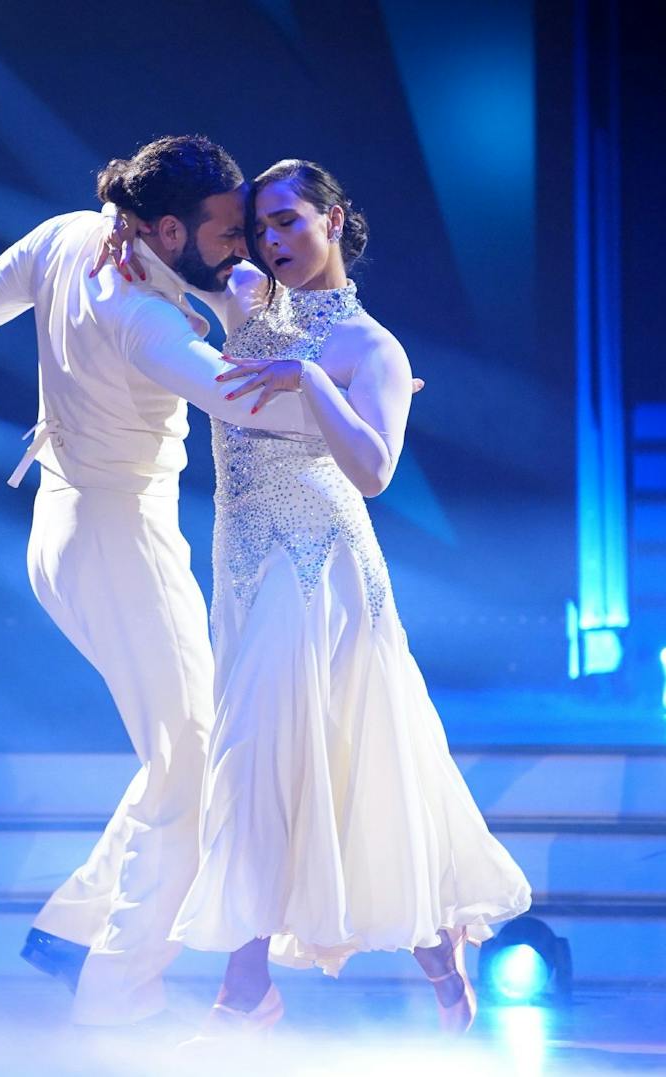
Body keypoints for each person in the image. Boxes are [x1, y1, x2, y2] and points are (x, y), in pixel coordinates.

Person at [0, 137, 410, 1027]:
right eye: (229, 230)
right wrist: (366, 393)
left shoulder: (73, 235)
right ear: (172, 227)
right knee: (192, 771)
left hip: (67, 532)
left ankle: (77, 931)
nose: (245, 248)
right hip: (117, 544)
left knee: (183, 752)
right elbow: (242, 396)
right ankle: (116, 991)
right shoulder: (145, 319)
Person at [161, 160, 533, 1039]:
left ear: (334, 219)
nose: (273, 240)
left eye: (290, 221)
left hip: (320, 566)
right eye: (262, 226)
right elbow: (158, 275)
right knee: (315, 763)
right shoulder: (248, 306)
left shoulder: (373, 348)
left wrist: (311, 378)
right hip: (244, 566)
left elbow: (372, 472)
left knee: (279, 754)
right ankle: (427, 954)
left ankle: (248, 988)